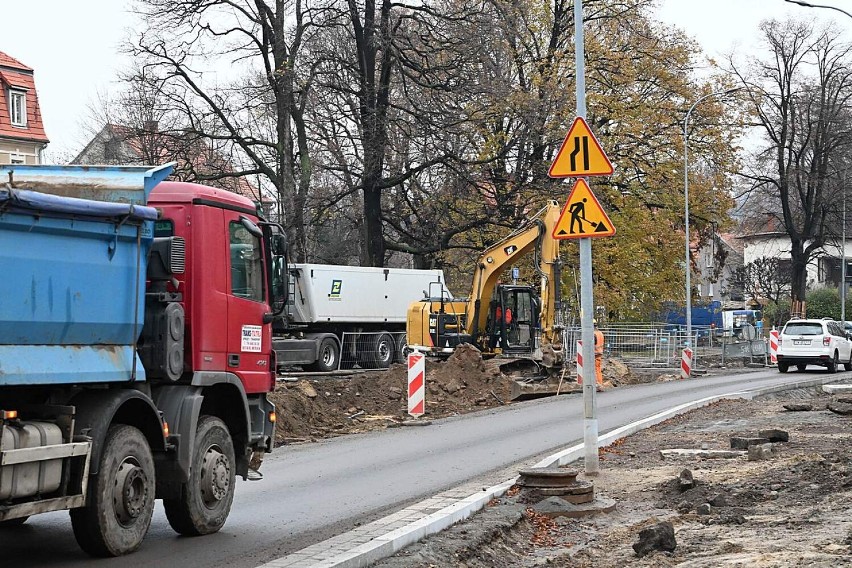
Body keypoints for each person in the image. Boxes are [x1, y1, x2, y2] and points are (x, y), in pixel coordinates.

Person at [593, 320, 604, 388]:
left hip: (594, 353)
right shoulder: (600, 333)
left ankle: (596, 384)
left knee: (594, 370)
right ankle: (600, 383)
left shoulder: (593, 334)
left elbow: (592, 344)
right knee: (598, 369)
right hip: (599, 353)